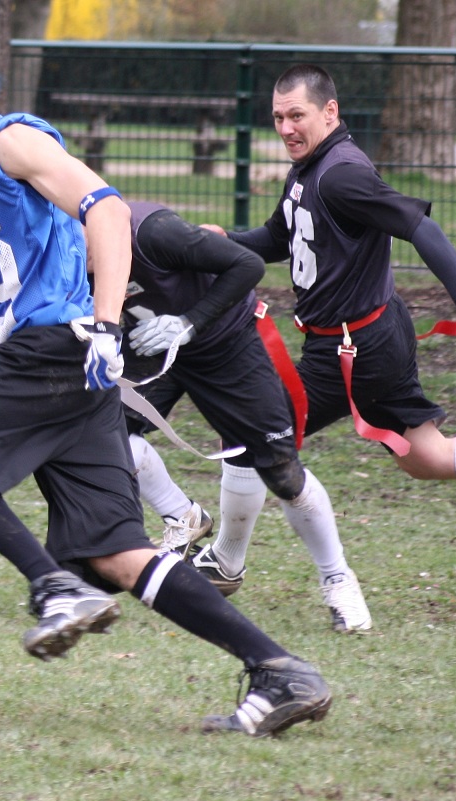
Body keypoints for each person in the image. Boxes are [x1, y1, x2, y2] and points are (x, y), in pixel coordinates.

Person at [0, 31, 331, 737]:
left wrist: (106, 323)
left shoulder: (10, 143)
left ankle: (51, 586)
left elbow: (108, 211)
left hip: (60, 342)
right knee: (116, 553)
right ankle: (278, 670)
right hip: (55, 365)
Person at [197, 62, 456, 592]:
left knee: (248, 433)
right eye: (277, 117)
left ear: (330, 112)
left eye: (297, 115)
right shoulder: (308, 168)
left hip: (349, 348)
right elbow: (277, 239)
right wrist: (219, 243)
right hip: (376, 334)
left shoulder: (341, 174)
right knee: (426, 457)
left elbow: (421, 227)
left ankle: (226, 563)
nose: (285, 128)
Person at [90, 201, 371, 632]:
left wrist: (189, 322)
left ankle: (337, 578)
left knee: (280, 471)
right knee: (101, 434)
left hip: (223, 341)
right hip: (154, 350)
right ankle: (182, 516)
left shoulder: (152, 231)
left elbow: (247, 264)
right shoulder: (59, 248)